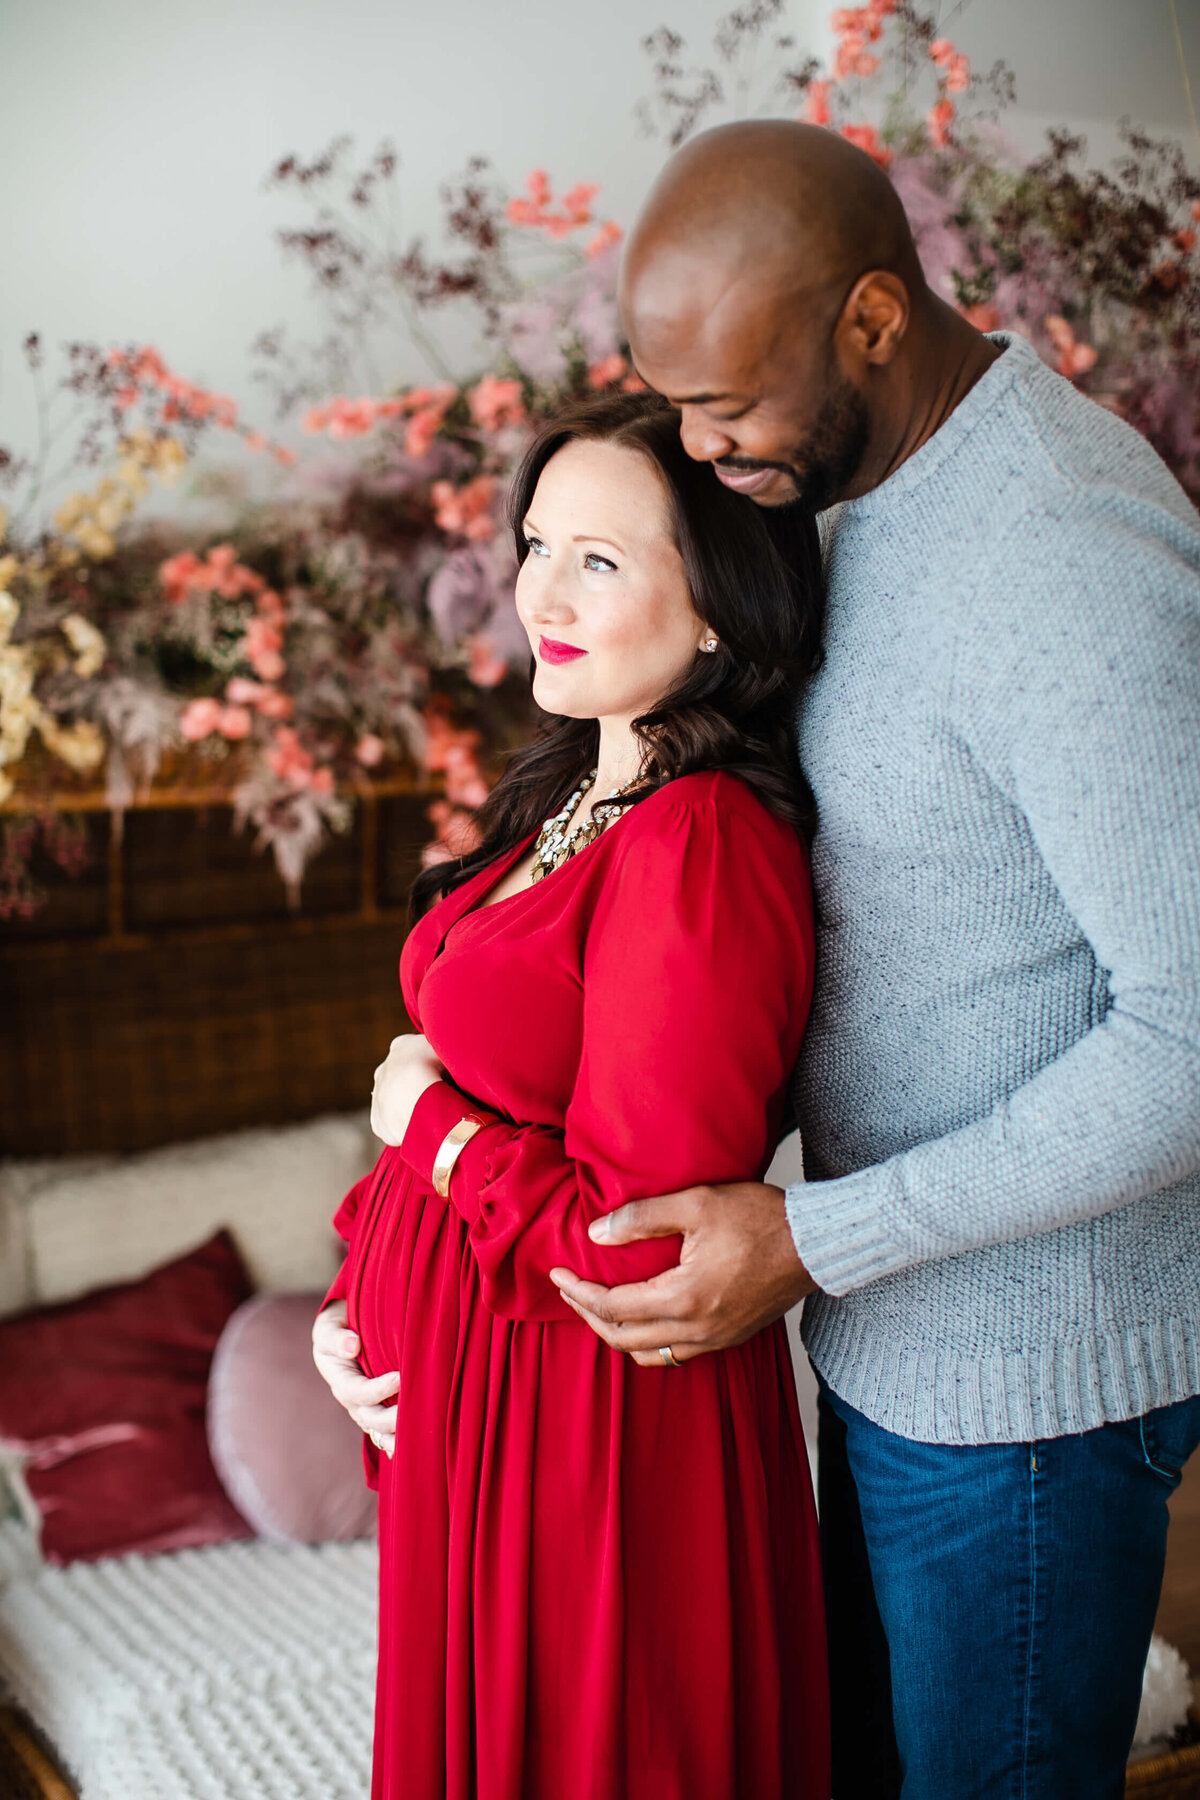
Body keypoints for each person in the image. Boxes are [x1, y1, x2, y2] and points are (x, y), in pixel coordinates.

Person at [533, 121, 1198, 1799]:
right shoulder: (836, 484)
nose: (699, 446)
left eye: (730, 407)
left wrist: (816, 1237)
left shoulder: (1063, 552)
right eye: (666, 399)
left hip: (1027, 1389)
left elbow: (1193, 1033)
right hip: (886, 1339)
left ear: (877, 321)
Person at [314, 390, 831, 1800]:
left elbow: (638, 1251)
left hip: (591, 1451)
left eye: (599, 559)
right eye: (538, 543)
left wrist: (427, 1127)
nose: (539, 589)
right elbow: (463, 1096)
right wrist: (349, 1307)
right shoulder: (565, 802)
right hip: (476, 1430)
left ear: (718, 604)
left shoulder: (702, 847)